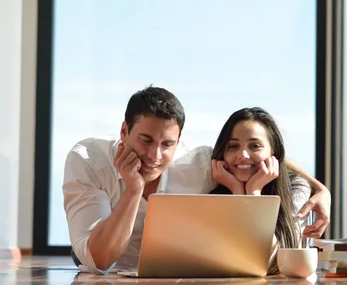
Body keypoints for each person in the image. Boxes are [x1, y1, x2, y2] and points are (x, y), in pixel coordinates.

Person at [63, 86, 331, 274]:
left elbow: (256, 156)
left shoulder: (198, 162)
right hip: (105, 277)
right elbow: (100, 260)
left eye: (167, 144)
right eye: (146, 140)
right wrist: (134, 189)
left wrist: (320, 188)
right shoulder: (87, 160)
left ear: (179, 142)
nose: (154, 155)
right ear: (124, 130)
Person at [209, 107, 311, 274]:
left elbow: (271, 260)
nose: (242, 154)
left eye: (255, 146)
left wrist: (254, 192)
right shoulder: (213, 193)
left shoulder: (296, 187)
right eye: (233, 146)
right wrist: (237, 192)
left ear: (274, 153)